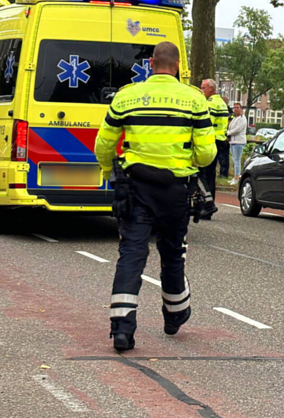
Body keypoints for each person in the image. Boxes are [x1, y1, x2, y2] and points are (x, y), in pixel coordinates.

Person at [94, 41, 216, 350]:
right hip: (176, 191)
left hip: (137, 188)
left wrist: (111, 170)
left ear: (151, 63)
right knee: (173, 253)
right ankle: (175, 315)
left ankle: (122, 328)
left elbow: (103, 146)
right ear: (177, 66)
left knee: (132, 255)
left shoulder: (126, 97)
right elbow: (205, 154)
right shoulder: (194, 100)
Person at [198, 79, 229, 219]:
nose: (201, 90)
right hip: (220, 141)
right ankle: (209, 206)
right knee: (210, 175)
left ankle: (207, 205)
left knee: (201, 173)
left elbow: (204, 123)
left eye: (203, 88)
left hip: (210, 141)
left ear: (211, 89)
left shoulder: (210, 104)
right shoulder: (221, 103)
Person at [227, 102, 248, 184]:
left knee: (237, 160)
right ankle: (235, 176)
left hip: (239, 142)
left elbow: (237, 129)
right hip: (232, 141)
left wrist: (227, 133)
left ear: (241, 109)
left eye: (237, 107)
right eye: (234, 108)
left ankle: (237, 177)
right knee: (234, 159)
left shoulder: (242, 119)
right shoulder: (235, 118)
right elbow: (231, 127)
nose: (235, 109)